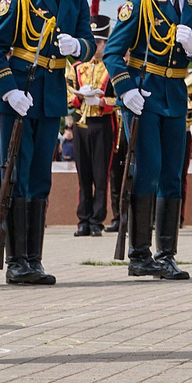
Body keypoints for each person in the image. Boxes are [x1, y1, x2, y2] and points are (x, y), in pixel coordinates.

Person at [103, 0, 192, 283]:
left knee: (172, 174)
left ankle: (166, 254)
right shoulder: (141, 1)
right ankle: (139, 255)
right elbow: (112, 52)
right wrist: (126, 91)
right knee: (148, 170)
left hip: (177, 96)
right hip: (144, 92)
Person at [0, 0, 93, 287]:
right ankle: (16, 260)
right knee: (16, 177)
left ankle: (34, 258)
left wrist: (78, 47)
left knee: (39, 179)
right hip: (20, 95)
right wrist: (8, 91)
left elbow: (89, 42)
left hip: (50, 98)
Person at [70, 35, 115, 236]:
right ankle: (83, 219)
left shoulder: (112, 67)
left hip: (102, 123)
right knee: (84, 174)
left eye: (99, 42)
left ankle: (97, 220)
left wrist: (102, 102)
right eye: (93, 41)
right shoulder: (77, 67)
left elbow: (120, 98)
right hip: (81, 123)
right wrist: (80, 98)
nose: (96, 46)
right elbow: (68, 94)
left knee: (100, 174)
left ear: (105, 44)